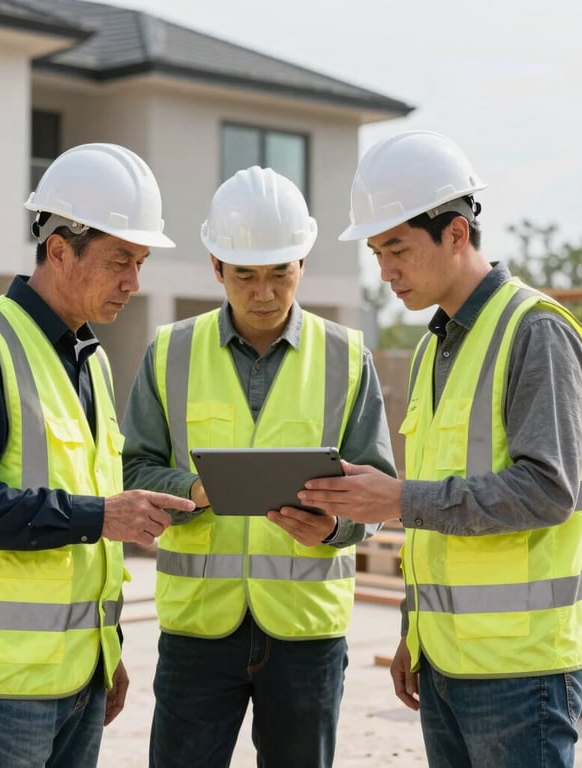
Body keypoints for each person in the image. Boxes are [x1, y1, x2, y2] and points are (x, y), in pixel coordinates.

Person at [296, 130, 582, 767]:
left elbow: (545, 492)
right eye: (375, 252)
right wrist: (414, 631)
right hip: (447, 660)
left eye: (397, 249)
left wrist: (395, 497)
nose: (385, 271)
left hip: (523, 667)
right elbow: (438, 515)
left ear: (456, 232)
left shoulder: (537, 332)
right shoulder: (434, 347)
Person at [0, 143, 196, 768]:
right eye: (121, 259)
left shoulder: (89, 361)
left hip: (76, 679)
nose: (134, 282)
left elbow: (94, 528)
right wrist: (100, 515)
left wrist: (106, 655)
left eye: (141, 262)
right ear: (60, 247)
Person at [121, 165, 397, 768]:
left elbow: (375, 492)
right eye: (245, 275)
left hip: (305, 634)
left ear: (304, 261)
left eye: (280, 273)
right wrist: (193, 489)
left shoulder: (347, 357)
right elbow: (133, 470)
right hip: (198, 630)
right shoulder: (169, 352)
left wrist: (333, 529)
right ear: (216, 266)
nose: (264, 293)